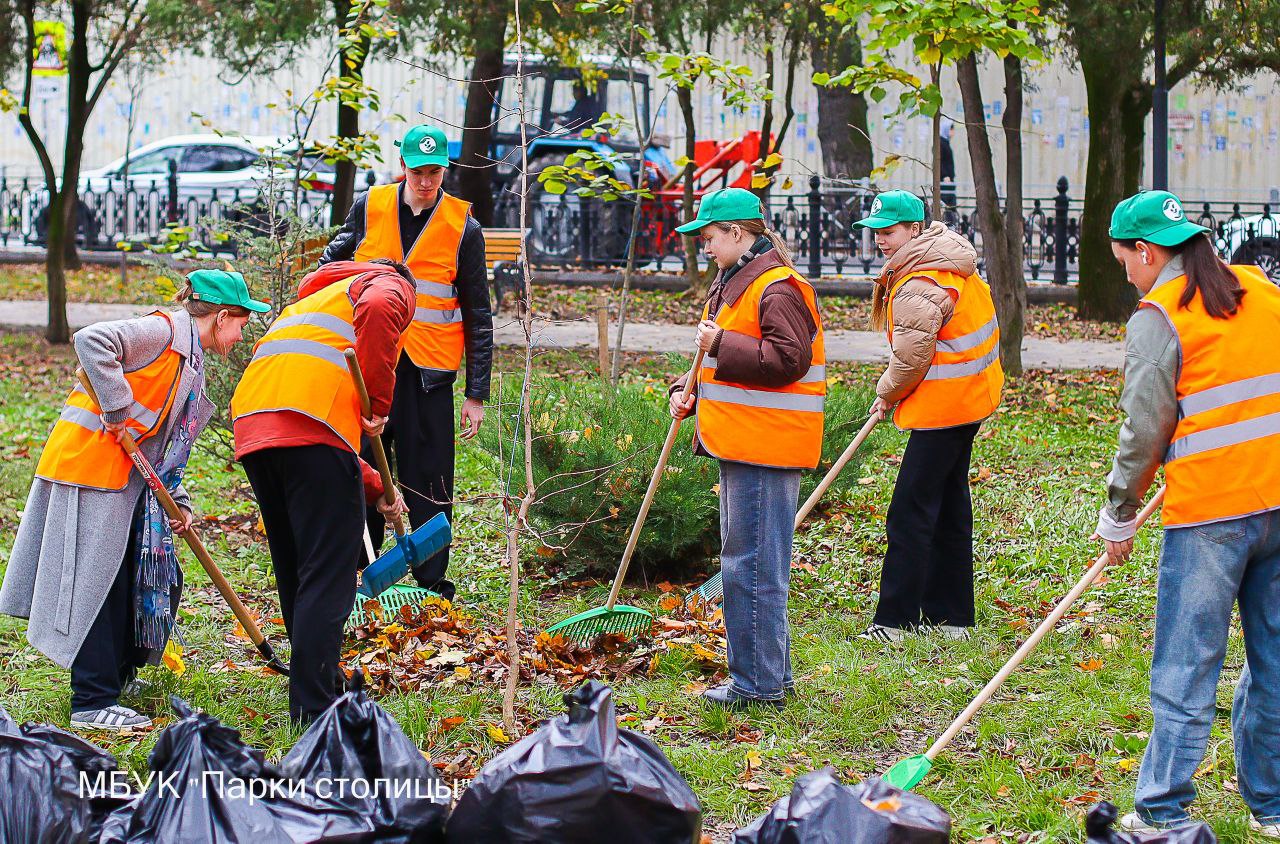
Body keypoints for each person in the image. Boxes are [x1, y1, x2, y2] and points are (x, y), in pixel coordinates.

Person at [0, 269, 266, 730]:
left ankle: (118, 678)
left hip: (125, 478)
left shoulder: (190, 359)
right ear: (221, 316)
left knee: (134, 578)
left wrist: (178, 499)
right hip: (90, 469)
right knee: (95, 586)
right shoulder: (162, 331)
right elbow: (92, 340)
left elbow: (165, 441)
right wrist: (117, 410)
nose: (242, 335)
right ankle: (91, 702)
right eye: (242, 324)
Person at [1094, 191, 1280, 838]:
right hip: (1277, 498)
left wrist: (1119, 514)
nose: (1126, 274)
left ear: (1147, 251)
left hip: (1211, 516)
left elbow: (1144, 431)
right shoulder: (1260, 288)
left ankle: (1163, 809)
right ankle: (1272, 804)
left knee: (1186, 662)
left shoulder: (1160, 316)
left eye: (1124, 260)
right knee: (1275, 660)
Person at [231, 259, 415, 725]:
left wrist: (377, 489)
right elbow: (379, 306)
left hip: (257, 428)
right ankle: (313, 709)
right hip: (309, 431)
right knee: (327, 573)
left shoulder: (316, 301)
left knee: (297, 564)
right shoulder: (386, 283)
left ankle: (318, 680)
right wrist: (378, 402)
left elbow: (314, 427)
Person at [319, 123, 493, 602]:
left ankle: (431, 578)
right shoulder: (369, 208)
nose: (425, 181)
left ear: (445, 170)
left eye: (435, 171)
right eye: (418, 171)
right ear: (403, 167)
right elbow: (333, 265)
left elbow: (479, 314)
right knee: (363, 467)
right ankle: (366, 569)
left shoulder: (464, 228)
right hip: (367, 364)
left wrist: (476, 393)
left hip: (428, 375)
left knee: (430, 473)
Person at [667, 187, 826, 710]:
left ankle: (757, 687)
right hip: (746, 440)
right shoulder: (740, 280)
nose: (705, 248)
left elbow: (787, 360)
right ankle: (769, 677)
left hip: (766, 446)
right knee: (754, 563)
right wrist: (687, 389)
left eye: (710, 238)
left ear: (738, 233)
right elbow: (733, 361)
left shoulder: (776, 288)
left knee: (752, 566)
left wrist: (717, 346)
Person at [852, 190, 1003, 643]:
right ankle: (951, 617)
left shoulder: (920, 281)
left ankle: (894, 622)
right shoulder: (945, 261)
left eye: (889, 231)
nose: (880, 240)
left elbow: (912, 357)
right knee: (950, 508)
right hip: (967, 401)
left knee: (909, 512)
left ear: (914, 230)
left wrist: (886, 393)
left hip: (945, 407)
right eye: (875, 232)